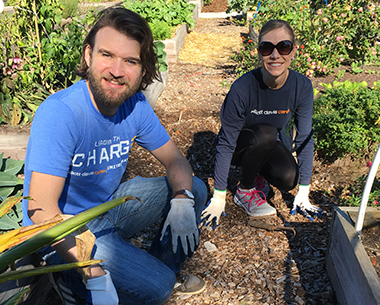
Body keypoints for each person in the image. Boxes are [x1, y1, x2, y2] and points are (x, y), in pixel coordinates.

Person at [21, 6, 207, 305]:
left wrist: (182, 199)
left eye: (130, 60)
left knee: (194, 188)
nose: (117, 71)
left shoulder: (134, 106)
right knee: (157, 288)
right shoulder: (62, 113)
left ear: (144, 69)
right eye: (107, 55)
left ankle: (164, 269)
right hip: (62, 227)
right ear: (88, 56)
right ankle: (73, 283)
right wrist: (93, 274)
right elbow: (40, 211)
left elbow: (176, 160)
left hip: (105, 209)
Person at [202, 19, 323, 227]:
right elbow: (226, 142)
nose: (275, 55)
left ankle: (258, 173)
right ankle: (245, 191)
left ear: (293, 51)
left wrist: (304, 190)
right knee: (266, 133)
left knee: (288, 179)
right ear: (259, 53)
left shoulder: (301, 86)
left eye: (283, 47)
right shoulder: (243, 88)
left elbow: (304, 138)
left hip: (267, 143)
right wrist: (219, 196)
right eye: (267, 48)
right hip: (241, 148)